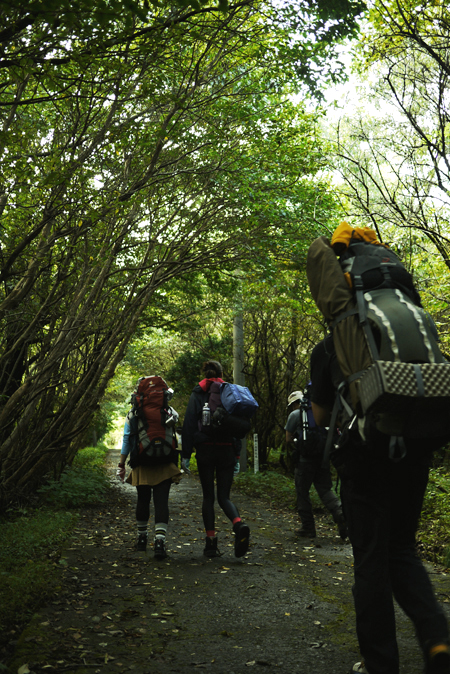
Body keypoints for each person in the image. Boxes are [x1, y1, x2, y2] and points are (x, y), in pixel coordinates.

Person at [310, 334, 450, 674]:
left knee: (371, 558)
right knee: (402, 548)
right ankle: (438, 641)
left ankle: (380, 664)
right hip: (415, 453)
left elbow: (320, 417)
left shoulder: (332, 345)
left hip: (365, 455)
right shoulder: (416, 337)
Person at [181, 359, 250, 558]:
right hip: (227, 450)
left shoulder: (198, 393)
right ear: (221, 373)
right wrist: (237, 454)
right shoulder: (230, 392)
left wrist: (186, 454)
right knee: (224, 497)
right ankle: (238, 524)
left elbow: (189, 424)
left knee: (208, 497)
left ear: (204, 374)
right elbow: (237, 425)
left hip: (205, 451)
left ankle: (211, 543)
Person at [117, 377, 182, 561]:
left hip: (142, 462)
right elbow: (175, 436)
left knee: (143, 500)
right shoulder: (169, 411)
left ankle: (141, 539)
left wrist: (121, 465)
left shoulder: (134, 413)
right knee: (162, 503)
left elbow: (127, 440)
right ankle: (160, 544)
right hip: (165, 462)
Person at [285, 388, 346, 540]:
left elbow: (288, 439)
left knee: (302, 493)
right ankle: (340, 514)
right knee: (326, 490)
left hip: (304, 461)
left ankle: (308, 528)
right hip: (323, 459)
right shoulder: (321, 413)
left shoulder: (295, 415)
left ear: (295, 404)